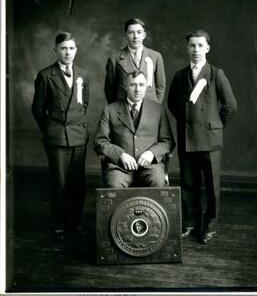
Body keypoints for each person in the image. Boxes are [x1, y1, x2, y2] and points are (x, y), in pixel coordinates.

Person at [168, 30, 237, 244]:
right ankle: (190, 222)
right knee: (189, 183)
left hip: (210, 141)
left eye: (200, 45)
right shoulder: (180, 76)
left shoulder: (216, 74)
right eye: (192, 45)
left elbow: (231, 106)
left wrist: (215, 126)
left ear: (207, 48)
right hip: (188, 138)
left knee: (211, 185)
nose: (196, 50)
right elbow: (172, 104)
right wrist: (187, 123)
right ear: (187, 48)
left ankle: (209, 225)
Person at [32, 32, 90, 240]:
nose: (68, 52)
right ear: (55, 50)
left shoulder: (83, 73)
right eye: (63, 48)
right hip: (57, 137)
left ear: (76, 50)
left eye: (71, 48)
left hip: (78, 136)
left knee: (78, 182)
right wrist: (50, 129)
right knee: (59, 182)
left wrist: (77, 125)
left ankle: (75, 222)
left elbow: (84, 104)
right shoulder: (46, 75)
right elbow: (37, 109)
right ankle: (59, 223)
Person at [94, 71, 175, 188]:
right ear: (126, 86)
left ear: (146, 86)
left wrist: (151, 153)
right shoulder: (110, 110)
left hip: (151, 167)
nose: (137, 89)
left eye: (141, 85)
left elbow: (168, 142)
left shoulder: (158, 110)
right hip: (120, 168)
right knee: (114, 185)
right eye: (133, 85)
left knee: (158, 183)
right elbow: (99, 142)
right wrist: (120, 154)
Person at [104, 18, 166, 104]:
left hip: (150, 108)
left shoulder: (156, 56)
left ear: (144, 35)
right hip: (123, 108)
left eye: (139, 32)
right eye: (131, 32)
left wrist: (156, 106)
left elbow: (160, 86)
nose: (135, 36)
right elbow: (110, 89)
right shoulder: (115, 58)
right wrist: (116, 109)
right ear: (126, 34)